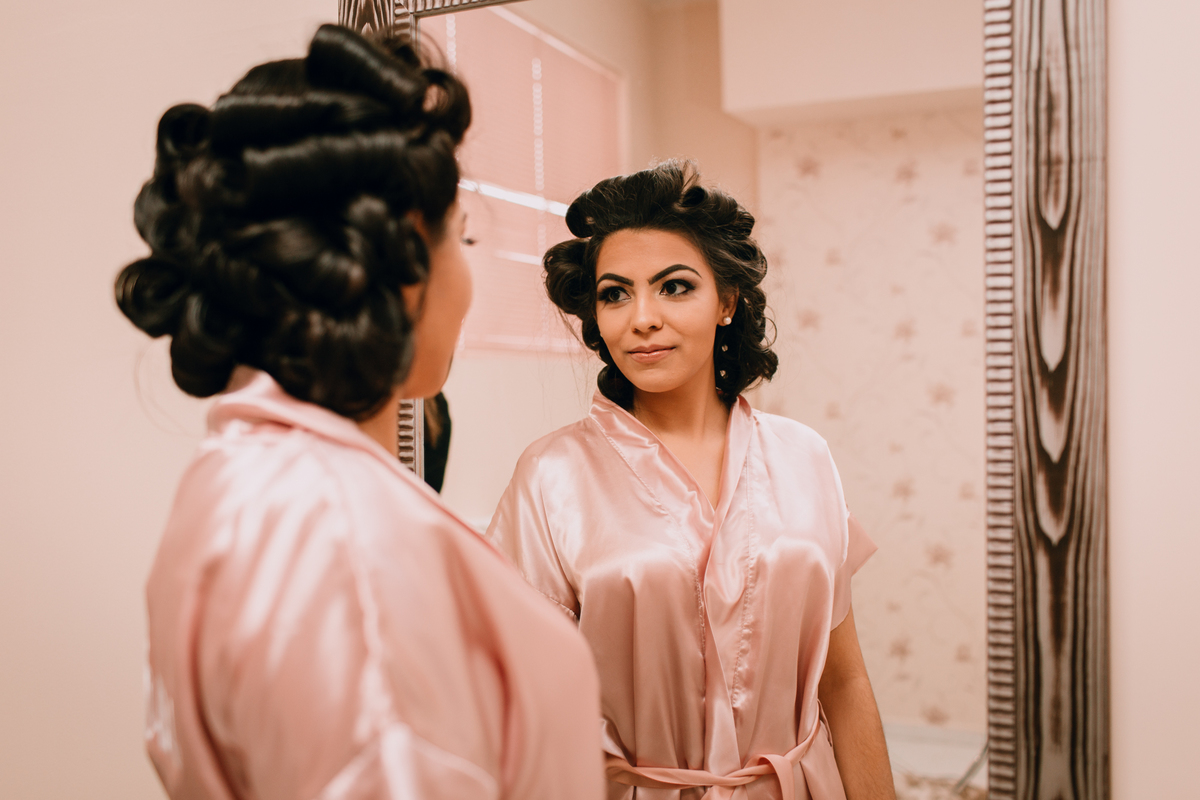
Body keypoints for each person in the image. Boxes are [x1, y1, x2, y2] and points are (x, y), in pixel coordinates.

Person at [117, 24, 604, 800]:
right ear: (411, 250)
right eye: (463, 237)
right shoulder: (348, 540)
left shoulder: (235, 476)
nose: (470, 277)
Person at [488, 161, 896, 800]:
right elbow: (524, 710)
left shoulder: (804, 456)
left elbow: (842, 682)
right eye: (614, 294)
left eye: (674, 287)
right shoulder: (551, 477)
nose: (641, 317)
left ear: (726, 302)